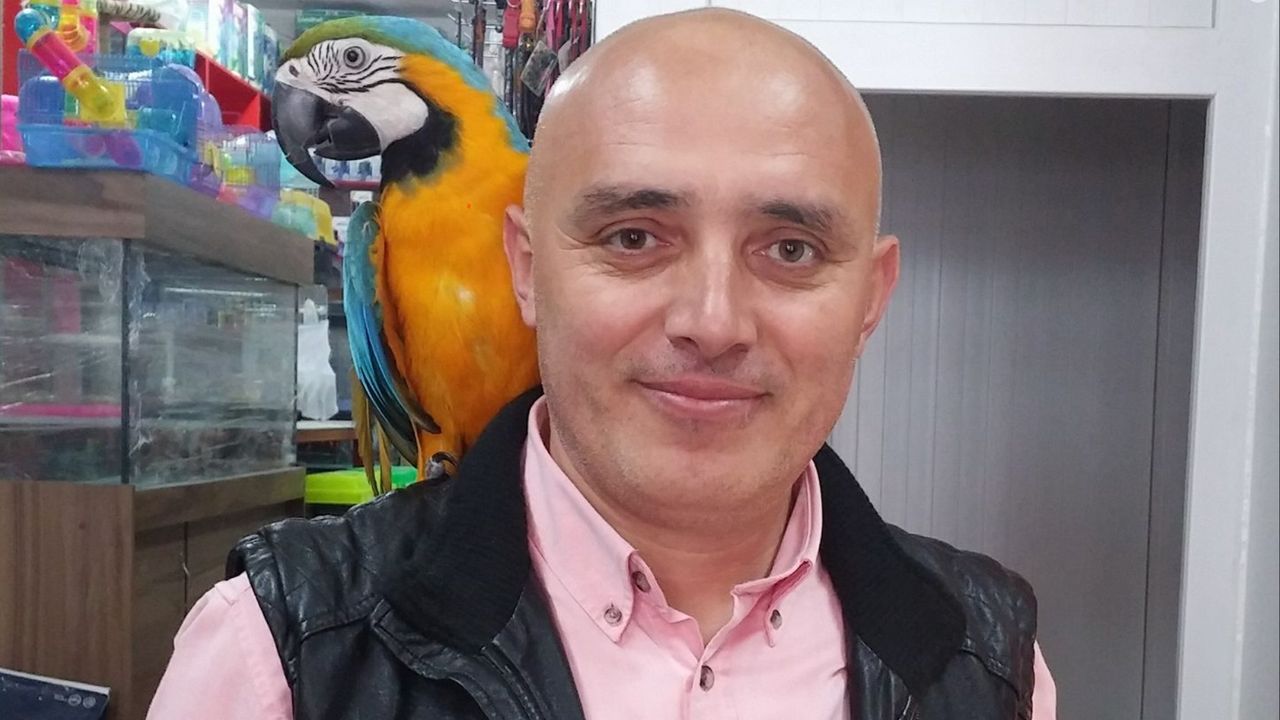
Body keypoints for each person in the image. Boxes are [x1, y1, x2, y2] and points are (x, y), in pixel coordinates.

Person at [148, 8, 1057, 719]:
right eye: (633, 237)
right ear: (527, 269)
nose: (711, 323)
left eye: (790, 250)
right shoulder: (279, 648)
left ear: (871, 299)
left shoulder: (993, 660)